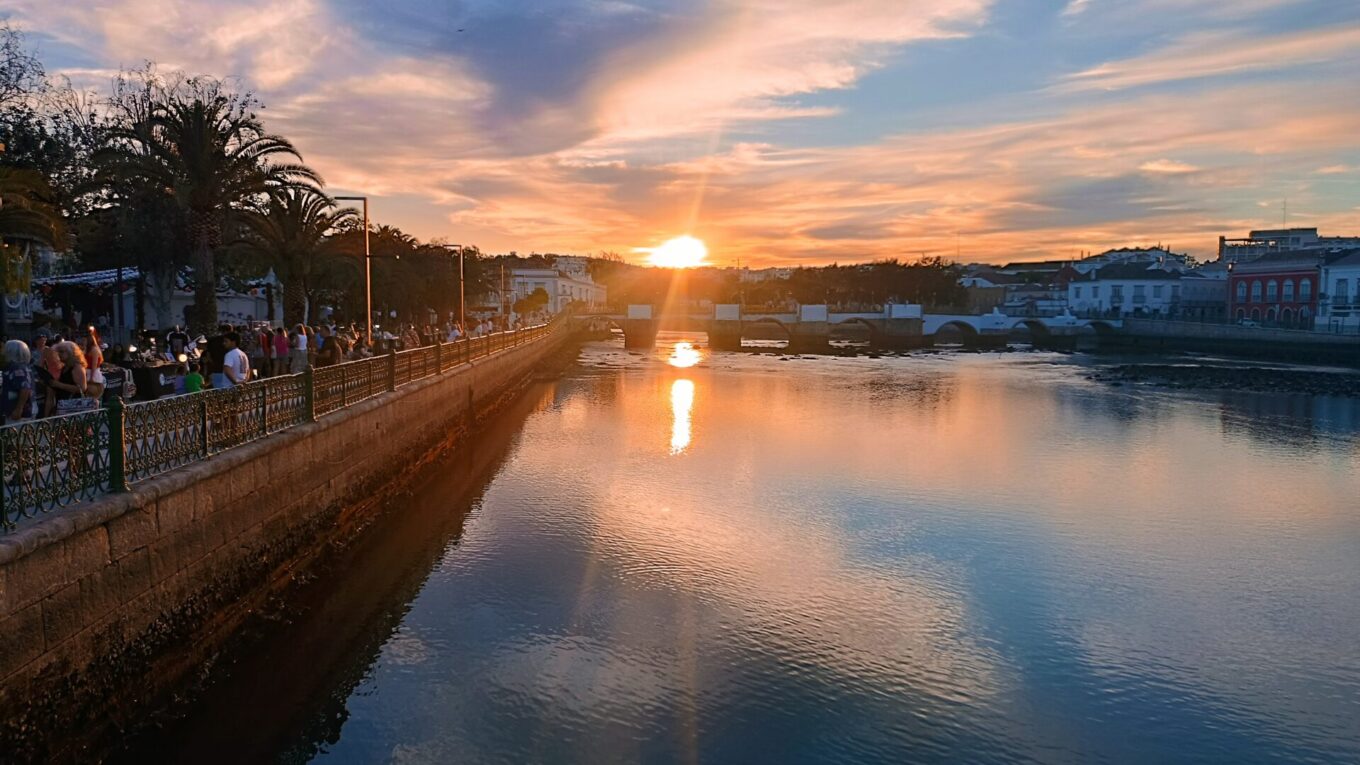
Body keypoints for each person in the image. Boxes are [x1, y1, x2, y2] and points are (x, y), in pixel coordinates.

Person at [47, 341, 92, 414]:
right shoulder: (65, 367)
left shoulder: (77, 367)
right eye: (58, 352)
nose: (59, 354)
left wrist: (59, 385)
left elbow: (82, 388)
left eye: (61, 352)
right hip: (65, 406)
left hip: (74, 407)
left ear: (71, 352)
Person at [3, 340, 36, 423]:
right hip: (16, 413)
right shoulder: (18, 366)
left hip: (20, 415)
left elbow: (25, 388)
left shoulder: (17, 368)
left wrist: (19, 409)